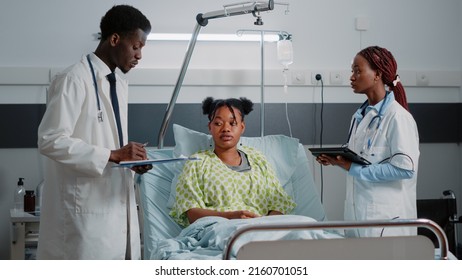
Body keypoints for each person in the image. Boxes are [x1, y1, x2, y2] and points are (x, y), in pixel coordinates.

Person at [37, 5, 152, 259]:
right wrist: (112, 155)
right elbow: (50, 140)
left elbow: (110, 146)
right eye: (136, 46)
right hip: (84, 217)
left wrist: (129, 161)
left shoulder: (118, 83)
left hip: (114, 208)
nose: (139, 55)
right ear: (114, 39)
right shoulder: (73, 79)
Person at [315, 46, 420, 237]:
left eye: (357, 71)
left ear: (377, 74)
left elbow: (405, 168)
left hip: (386, 221)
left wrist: (350, 167)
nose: (352, 77)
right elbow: (361, 159)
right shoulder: (359, 117)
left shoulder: (397, 117)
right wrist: (337, 160)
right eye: (352, 71)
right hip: (358, 216)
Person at [170, 97, 296, 227]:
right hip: (220, 229)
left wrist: (265, 226)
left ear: (242, 127)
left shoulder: (258, 159)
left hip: (261, 230)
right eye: (218, 123)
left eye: (233, 123)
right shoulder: (197, 163)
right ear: (210, 127)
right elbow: (191, 212)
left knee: (306, 225)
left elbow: (278, 203)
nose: (226, 129)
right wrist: (230, 217)